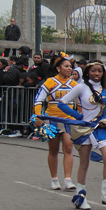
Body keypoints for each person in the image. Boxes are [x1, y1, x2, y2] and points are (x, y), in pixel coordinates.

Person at [57, 60, 106, 209]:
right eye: (93, 70)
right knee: (84, 163)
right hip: (85, 129)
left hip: (102, 128)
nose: (96, 73)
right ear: (87, 72)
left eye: (99, 71)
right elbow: (61, 103)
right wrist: (78, 116)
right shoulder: (81, 87)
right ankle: (81, 196)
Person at [33, 55, 77, 190]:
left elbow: (80, 102)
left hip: (68, 120)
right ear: (58, 68)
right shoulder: (50, 82)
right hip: (52, 120)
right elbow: (38, 100)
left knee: (68, 148)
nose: (69, 69)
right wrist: (38, 117)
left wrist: (82, 118)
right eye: (66, 66)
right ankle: (54, 179)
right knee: (53, 150)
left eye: (70, 66)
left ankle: (68, 179)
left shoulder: (74, 84)